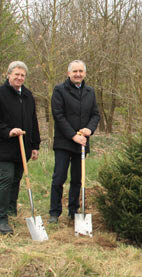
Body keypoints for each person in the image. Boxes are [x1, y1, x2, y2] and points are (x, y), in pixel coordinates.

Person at [0, 61, 41, 235]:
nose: (19, 77)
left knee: (16, 179)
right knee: (7, 178)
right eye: (16, 74)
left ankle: (11, 212)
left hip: (23, 148)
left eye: (22, 75)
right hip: (5, 147)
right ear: (8, 74)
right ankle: (1, 219)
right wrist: (8, 131)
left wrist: (35, 145)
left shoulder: (28, 96)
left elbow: (33, 121)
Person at [49, 60, 100, 224]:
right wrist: (73, 135)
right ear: (68, 73)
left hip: (82, 143)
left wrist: (89, 130)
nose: (78, 74)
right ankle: (54, 213)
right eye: (74, 71)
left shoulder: (90, 92)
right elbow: (58, 115)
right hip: (64, 142)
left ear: (84, 73)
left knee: (77, 179)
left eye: (81, 71)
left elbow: (95, 115)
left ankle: (73, 211)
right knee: (59, 178)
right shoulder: (59, 90)